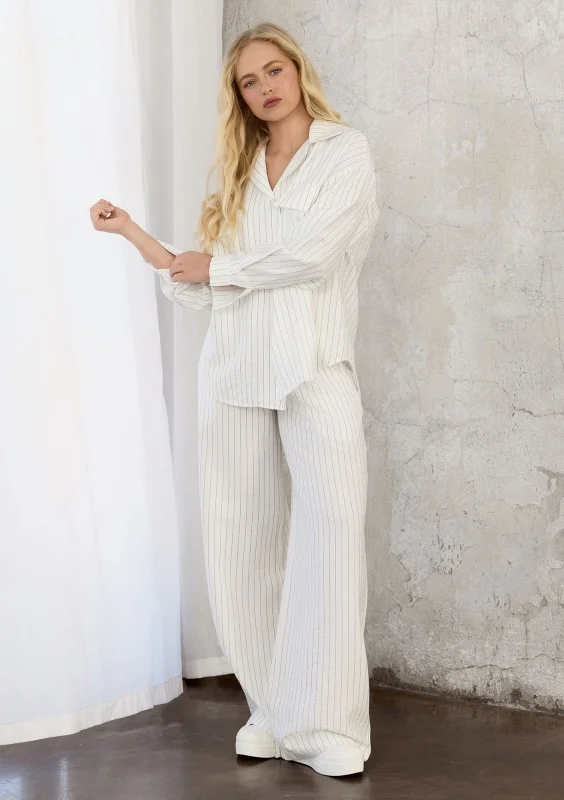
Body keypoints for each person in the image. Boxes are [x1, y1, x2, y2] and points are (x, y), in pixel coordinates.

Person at [90, 21, 379, 778]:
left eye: (273, 70)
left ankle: (330, 723)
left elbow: (314, 256)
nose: (264, 87)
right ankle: (274, 710)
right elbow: (200, 285)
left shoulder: (344, 153)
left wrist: (217, 270)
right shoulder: (239, 172)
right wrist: (137, 237)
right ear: (240, 98)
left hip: (315, 366)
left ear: (297, 70)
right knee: (241, 543)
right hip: (237, 370)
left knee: (331, 536)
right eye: (249, 81)